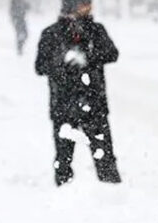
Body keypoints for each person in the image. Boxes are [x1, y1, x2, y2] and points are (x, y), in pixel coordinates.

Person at [35, 0, 121, 186]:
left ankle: (113, 197)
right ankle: (64, 198)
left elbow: (112, 53)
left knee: (105, 158)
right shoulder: (52, 34)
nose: (89, 8)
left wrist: (88, 57)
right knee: (64, 159)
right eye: (84, 4)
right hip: (63, 107)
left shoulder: (95, 30)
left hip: (94, 104)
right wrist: (62, 62)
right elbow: (40, 66)